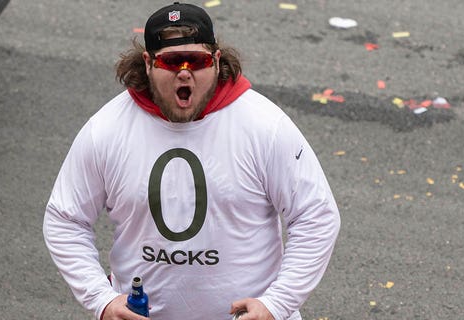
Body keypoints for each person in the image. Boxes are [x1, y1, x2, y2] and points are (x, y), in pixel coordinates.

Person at [43, 2, 340, 320]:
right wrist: (101, 299)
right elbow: (66, 219)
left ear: (215, 61)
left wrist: (277, 303)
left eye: (196, 61)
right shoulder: (106, 129)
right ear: (148, 63)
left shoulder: (264, 125)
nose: (184, 73)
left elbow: (315, 216)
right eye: (171, 62)